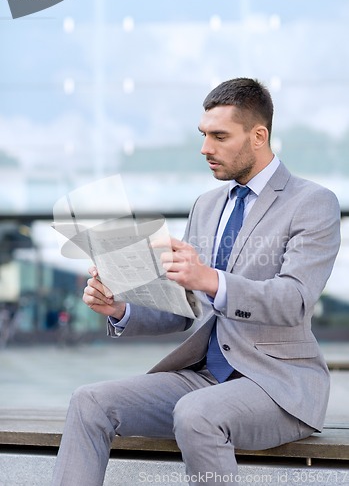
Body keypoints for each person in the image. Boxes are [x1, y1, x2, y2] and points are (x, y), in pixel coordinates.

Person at [52, 77, 341, 485]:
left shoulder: (312, 202)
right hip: (204, 377)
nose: (205, 148)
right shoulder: (206, 206)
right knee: (90, 401)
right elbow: (186, 307)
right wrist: (120, 309)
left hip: (277, 385)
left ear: (259, 136)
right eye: (204, 135)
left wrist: (210, 279)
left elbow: (294, 300)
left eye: (220, 136)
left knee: (196, 412)